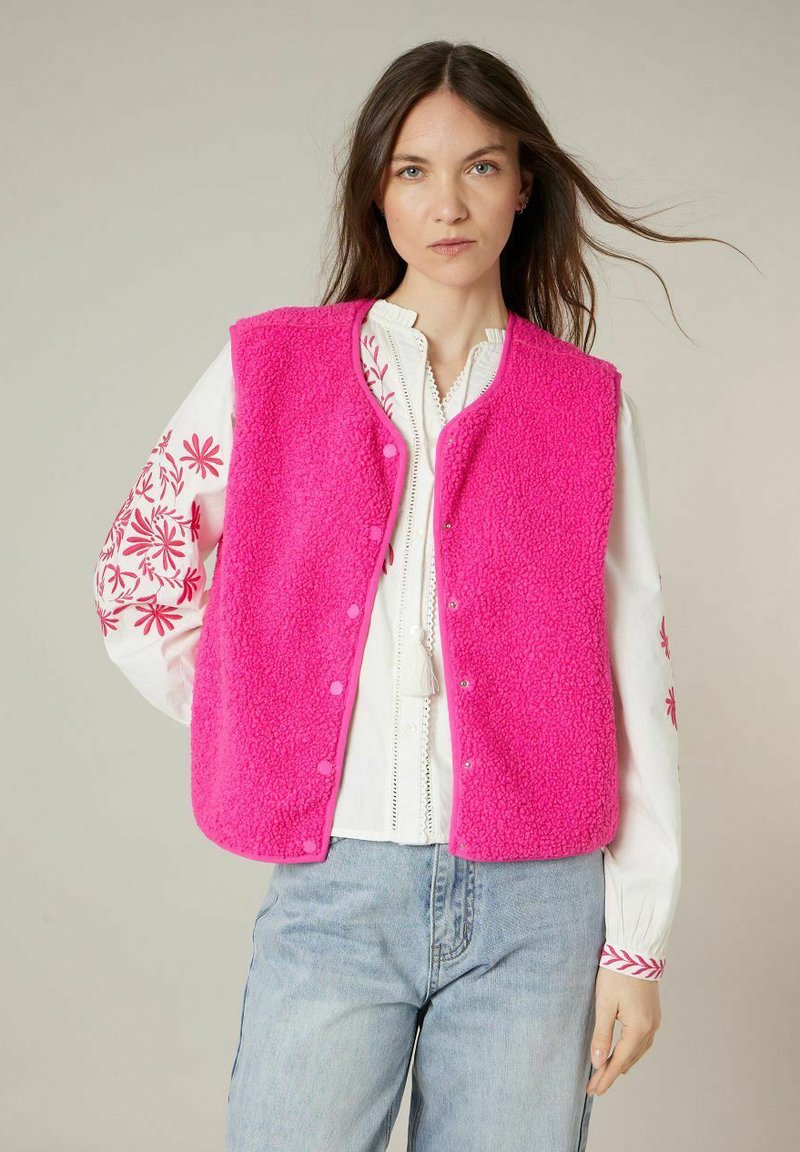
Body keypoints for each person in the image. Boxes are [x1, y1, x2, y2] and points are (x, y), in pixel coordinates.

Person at [92, 39, 729, 1152]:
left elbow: (636, 664)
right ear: (374, 190)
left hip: (539, 908)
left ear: (523, 187)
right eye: (412, 170)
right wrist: (271, 721)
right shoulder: (272, 369)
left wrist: (634, 942)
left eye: (481, 168)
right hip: (339, 893)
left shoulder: (582, 405)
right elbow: (136, 577)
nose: (448, 203)